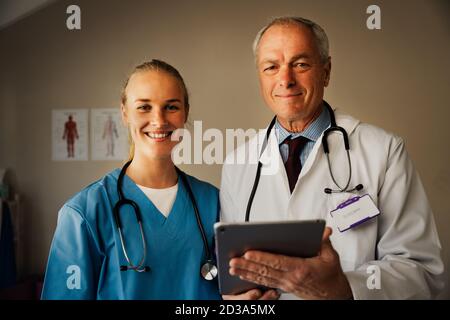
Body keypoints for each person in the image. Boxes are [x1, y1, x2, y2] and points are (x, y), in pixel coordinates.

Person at [219, 17, 445, 300]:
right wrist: (238, 299)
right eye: (271, 67)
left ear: (326, 72)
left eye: (300, 64)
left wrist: (345, 290)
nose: (285, 80)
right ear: (260, 77)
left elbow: (421, 270)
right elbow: (233, 270)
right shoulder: (237, 164)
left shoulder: (383, 151)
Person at [42, 60, 221, 300]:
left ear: (185, 113)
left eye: (171, 107)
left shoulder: (213, 203)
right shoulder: (85, 213)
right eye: (144, 107)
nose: (159, 120)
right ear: (124, 113)